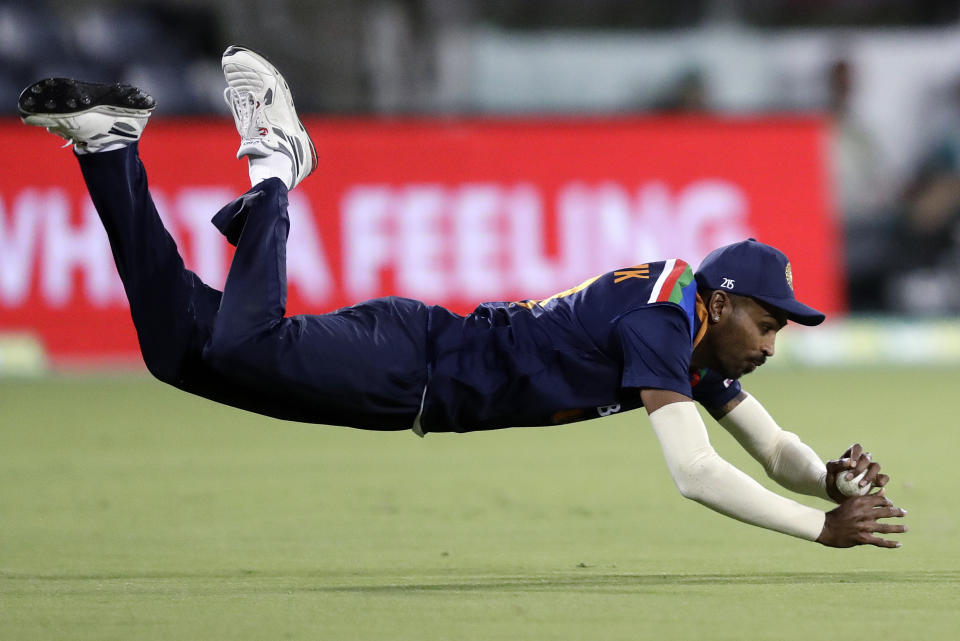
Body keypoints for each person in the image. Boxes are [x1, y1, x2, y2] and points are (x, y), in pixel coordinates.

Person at [18, 46, 907, 550]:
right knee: (248, 344)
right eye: (769, 320)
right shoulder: (664, 320)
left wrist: (827, 476)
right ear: (724, 300)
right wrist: (818, 529)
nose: (771, 343)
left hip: (409, 380)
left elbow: (770, 445)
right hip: (414, 364)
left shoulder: (690, 330)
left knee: (178, 351)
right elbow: (696, 473)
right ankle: (277, 165)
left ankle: (108, 149)